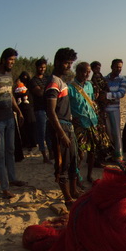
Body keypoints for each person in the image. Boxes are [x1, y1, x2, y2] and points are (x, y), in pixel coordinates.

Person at [0, 47, 26, 199]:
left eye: (14, 60)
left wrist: (18, 111)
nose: (12, 63)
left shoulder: (9, 76)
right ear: (3, 59)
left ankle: (13, 178)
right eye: (10, 60)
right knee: (0, 154)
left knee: (10, 150)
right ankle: (5, 188)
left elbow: (11, 97)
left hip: (10, 118)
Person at [45, 48, 79, 208]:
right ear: (57, 62)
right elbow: (51, 112)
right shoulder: (53, 82)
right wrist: (61, 134)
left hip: (68, 126)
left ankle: (73, 192)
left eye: (70, 63)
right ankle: (67, 199)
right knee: (62, 165)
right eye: (66, 63)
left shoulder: (61, 81)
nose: (69, 66)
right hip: (60, 128)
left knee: (73, 161)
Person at [68, 62, 110, 183]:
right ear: (78, 72)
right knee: (80, 154)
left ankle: (89, 175)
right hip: (79, 123)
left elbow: (92, 101)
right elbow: (67, 106)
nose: (86, 74)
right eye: (84, 71)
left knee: (92, 152)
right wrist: (71, 118)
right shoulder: (70, 87)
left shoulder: (90, 86)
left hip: (92, 121)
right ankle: (76, 177)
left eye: (88, 72)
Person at [103, 59, 126, 161]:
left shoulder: (122, 80)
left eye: (120, 67)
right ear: (111, 66)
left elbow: (121, 94)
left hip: (114, 109)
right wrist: (106, 98)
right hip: (104, 109)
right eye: (117, 67)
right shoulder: (104, 79)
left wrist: (107, 96)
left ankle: (118, 155)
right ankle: (109, 154)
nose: (119, 69)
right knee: (106, 133)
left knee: (116, 132)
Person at [29, 58, 52, 163]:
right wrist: (48, 88)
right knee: (41, 134)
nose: (42, 69)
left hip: (49, 109)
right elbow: (39, 93)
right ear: (37, 67)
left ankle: (51, 153)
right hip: (39, 110)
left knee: (49, 133)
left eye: (44, 67)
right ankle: (44, 156)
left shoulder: (47, 78)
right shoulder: (33, 81)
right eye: (40, 67)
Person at [14, 71, 36, 149]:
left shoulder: (30, 86)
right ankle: (25, 142)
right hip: (21, 110)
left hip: (29, 109)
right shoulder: (16, 89)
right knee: (23, 127)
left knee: (30, 126)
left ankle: (32, 142)